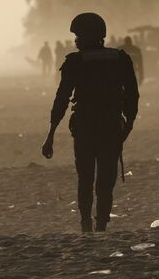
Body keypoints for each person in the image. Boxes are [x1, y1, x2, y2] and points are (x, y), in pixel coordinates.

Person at [41, 13, 139, 233]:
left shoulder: (75, 62)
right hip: (111, 126)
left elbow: (62, 99)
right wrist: (128, 123)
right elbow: (133, 94)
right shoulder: (119, 58)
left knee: (85, 178)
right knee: (106, 179)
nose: (75, 41)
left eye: (78, 36)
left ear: (87, 36)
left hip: (85, 127)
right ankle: (101, 223)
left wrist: (51, 134)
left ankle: (86, 223)